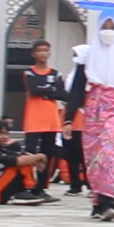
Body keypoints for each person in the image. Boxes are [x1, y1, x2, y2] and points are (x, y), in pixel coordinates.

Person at [64, 8, 114, 222]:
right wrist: (69, 118)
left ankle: (109, 199)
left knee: (108, 150)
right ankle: (98, 201)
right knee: (93, 155)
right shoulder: (88, 55)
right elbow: (78, 88)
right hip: (94, 108)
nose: (108, 31)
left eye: (113, 27)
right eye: (104, 27)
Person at [22, 39, 67, 194]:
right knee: (30, 152)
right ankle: (27, 184)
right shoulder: (29, 72)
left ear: (49, 53)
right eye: (39, 50)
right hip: (33, 119)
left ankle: (41, 187)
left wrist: (47, 91)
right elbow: (34, 89)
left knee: (48, 153)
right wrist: (50, 90)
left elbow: (63, 94)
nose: (42, 53)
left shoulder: (56, 73)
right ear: (33, 53)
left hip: (51, 120)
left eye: (45, 50)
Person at [0, 118, 50, 205]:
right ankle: (27, 192)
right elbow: (18, 161)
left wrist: (35, 159)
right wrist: (40, 156)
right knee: (23, 163)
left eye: (6, 134)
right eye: (1, 134)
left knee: (25, 159)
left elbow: (19, 156)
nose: (5, 137)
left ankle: (31, 191)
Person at [62, 44, 89, 197]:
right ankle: (75, 184)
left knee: (85, 154)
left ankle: (90, 183)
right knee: (71, 153)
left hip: (84, 117)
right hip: (71, 116)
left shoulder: (90, 74)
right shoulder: (72, 74)